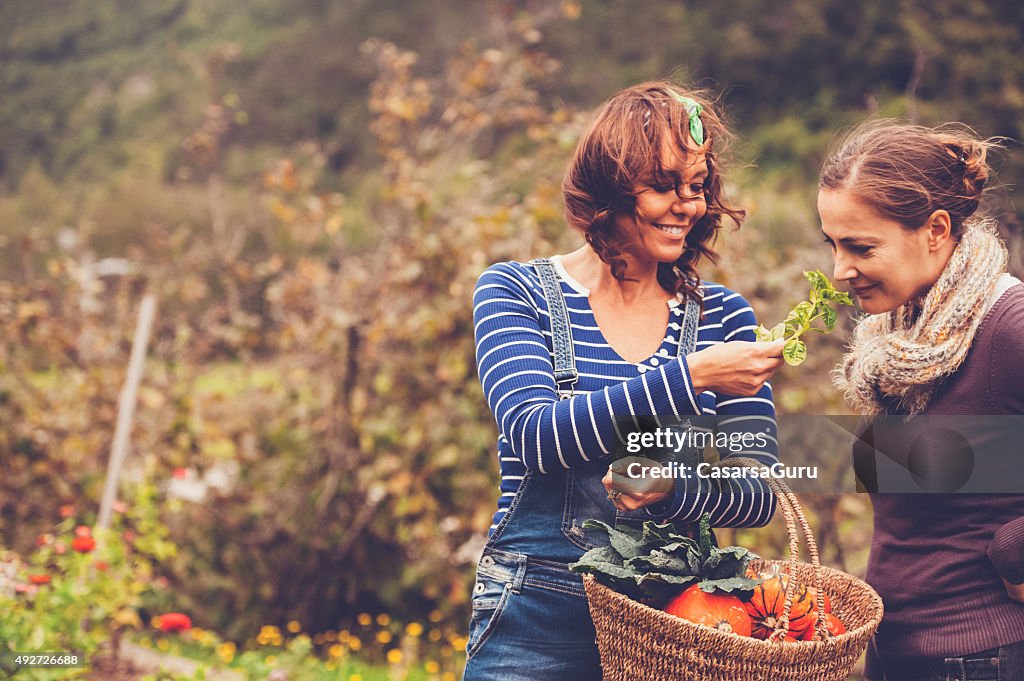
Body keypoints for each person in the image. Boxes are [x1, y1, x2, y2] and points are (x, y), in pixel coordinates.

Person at [464, 81, 786, 680]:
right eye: (664, 185)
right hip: (535, 615)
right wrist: (693, 374)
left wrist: (673, 491)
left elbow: (758, 491)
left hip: (680, 622)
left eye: (697, 187)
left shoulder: (724, 319)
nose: (686, 206)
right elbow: (538, 437)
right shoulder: (516, 292)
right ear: (608, 188)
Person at [818, 119, 1024, 680]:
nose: (840, 271)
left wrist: (1014, 548)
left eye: (861, 247)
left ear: (935, 229)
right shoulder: (905, 336)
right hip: (895, 652)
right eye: (833, 244)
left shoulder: (1006, 327)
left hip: (980, 656)